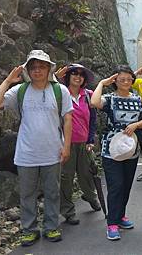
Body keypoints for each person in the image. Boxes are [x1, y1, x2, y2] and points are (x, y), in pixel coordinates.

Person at [0, 50, 73, 246]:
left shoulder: (60, 91)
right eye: (33, 67)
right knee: (27, 194)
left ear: (49, 69)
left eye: (42, 67)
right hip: (26, 153)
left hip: (52, 151)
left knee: (52, 192)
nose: (37, 71)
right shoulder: (20, 91)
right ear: (27, 70)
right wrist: (9, 80)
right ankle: (29, 229)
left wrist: (66, 146)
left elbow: (68, 119)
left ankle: (51, 227)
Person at [91, 65, 142, 241]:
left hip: (131, 149)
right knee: (115, 186)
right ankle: (112, 223)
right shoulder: (110, 99)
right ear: (115, 81)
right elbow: (94, 102)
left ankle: (121, 215)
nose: (126, 82)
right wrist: (101, 83)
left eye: (129, 79)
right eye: (121, 79)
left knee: (126, 185)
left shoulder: (137, 99)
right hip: (111, 149)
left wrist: (135, 125)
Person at [54, 64, 101, 226]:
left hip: (83, 143)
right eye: (73, 73)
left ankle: (91, 196)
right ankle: (68, 211)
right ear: (68, 76)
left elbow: (93, 120)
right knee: (66, 178)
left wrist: (90, 140)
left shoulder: (88, 96)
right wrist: (55, 78)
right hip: (64, 143)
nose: (77, 77)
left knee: (88, 173)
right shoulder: (60, 93)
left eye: (81, 75)